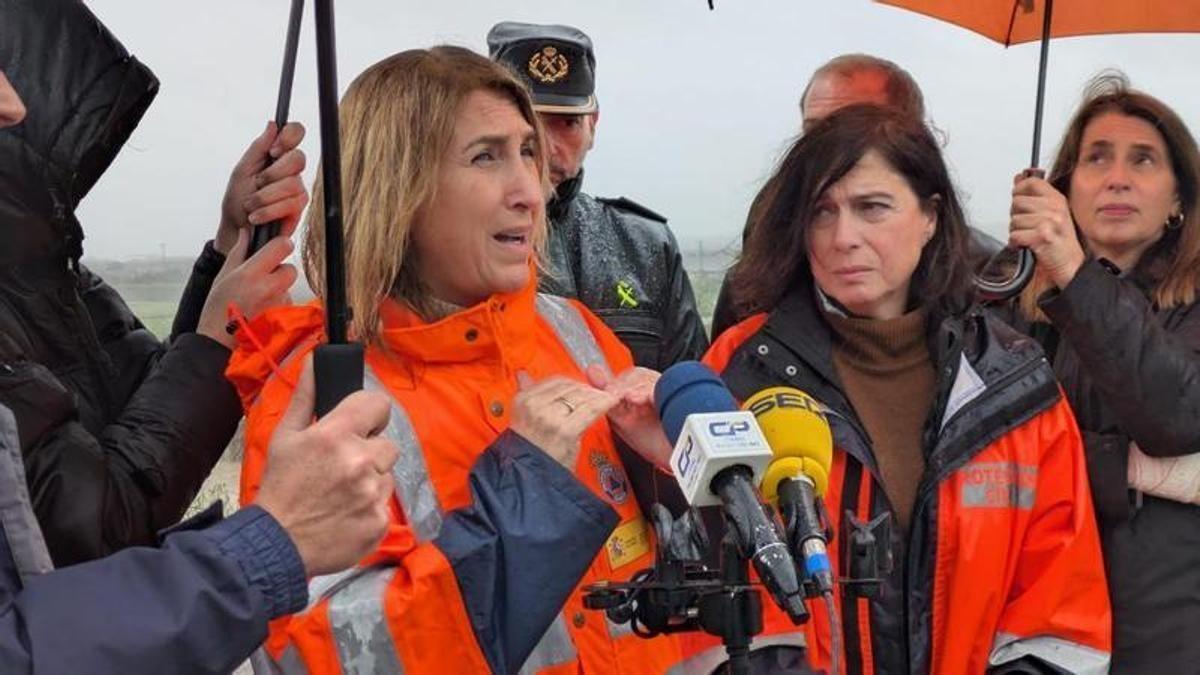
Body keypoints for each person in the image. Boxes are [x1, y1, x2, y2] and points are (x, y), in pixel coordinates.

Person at [228, 46, 682, 674]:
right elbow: (324, 655)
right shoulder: (318, 398)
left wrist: (674, 475)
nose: (530, 189)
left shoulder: (579, 334)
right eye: (485, 156)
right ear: (398, 189)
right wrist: (527, 499)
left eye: (527, 151)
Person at [697, 105, 1111, 674]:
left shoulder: (1014, 385)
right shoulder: (740, 372)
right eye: (821, 212)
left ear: (931, 217)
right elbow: (723, 591)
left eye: (872, 208)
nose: (844, 237)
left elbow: (1060, 615)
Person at [0, 0, 308, 565]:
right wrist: (219, 341)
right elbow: (97, 529)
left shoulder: (40, 269)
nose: (13, 103)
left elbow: (142, 410)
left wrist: (226, 245)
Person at [998, 74, 1200, 673]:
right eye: (1096, 158)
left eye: (1143, 160)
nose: (1118, 177)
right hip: (1033, 618)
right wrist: (1123, 467)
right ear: (1063, 188)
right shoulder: (1004, 298)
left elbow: (1177, 417)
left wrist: (1074, 270)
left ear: (1178, 198)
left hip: (1164, 627)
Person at [709, 53, 1005, 341]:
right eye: (814, 132)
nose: (830, 148)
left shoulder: (987, 278)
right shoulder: (758, 274)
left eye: (855, 125)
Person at [487, 22, 708, 371]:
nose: (548, 146)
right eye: (531, 122)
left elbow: (697, 390)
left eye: (568, 123)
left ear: (593, 124)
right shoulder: (457, 251)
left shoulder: (647, 245)